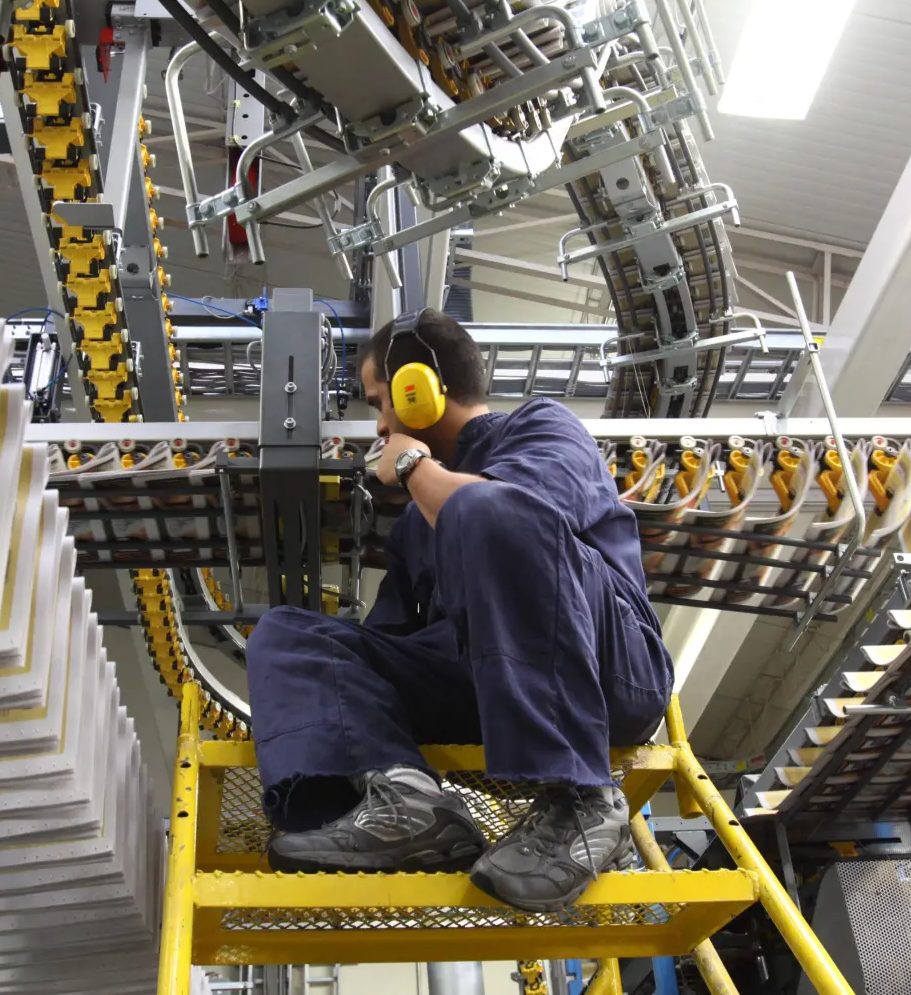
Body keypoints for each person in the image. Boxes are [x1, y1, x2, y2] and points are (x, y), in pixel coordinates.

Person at [246, 309, 673, 913]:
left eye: (380, 403)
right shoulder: (416, 524)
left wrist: (414, 466)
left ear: (416, 389)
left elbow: (511, 515)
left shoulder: (542, 428)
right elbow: (385, 656)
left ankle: (582, 798)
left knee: (486, 510)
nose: (379, 426)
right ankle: (409, 804)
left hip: (609, 674)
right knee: (290, 633)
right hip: (481, 687)